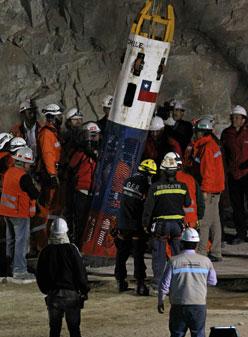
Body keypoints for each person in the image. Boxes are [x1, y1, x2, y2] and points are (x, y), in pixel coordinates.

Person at [142, 152, 191, 290]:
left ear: (162, 170)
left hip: (161, 226)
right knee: (178, 255)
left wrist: (145, 224)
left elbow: (148, 208)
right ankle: (179, 283)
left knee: (159, 256)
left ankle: (158, 284)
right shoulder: (182, 186)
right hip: (177, 226)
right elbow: (187, 203)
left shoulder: (155, 187)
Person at [158, 228, 217, 337]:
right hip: (198, 305)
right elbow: (213, 282)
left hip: (178, 305)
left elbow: (164, 284)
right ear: (196, 244)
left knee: (177, 333)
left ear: (182, 243)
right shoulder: (206, 261)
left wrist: (160, 301)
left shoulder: (173, 261)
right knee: (198, 333)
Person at [36, 217, 90, 337]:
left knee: (54, 330)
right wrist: (84, 290)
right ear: (66, 232)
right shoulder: (72, 250)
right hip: (71, 295)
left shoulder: (45, 252)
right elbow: (80, 273)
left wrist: (47, 291)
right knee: (74, 330)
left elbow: (40, 275)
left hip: (53, 296)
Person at [114, 159, 157, 295]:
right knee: (138, 254)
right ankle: (140, 284)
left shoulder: (128, 180)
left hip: (122, 223)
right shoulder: (146, 184)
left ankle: (120, 281)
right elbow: (145, 207)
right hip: (136, 224)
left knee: (121, 254)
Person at [0, 146, 39, 282]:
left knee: (10, 241)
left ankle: (9, 269)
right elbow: (35, 193)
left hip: (6, 212)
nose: (30, 166)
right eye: (29, 163)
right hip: (19, 213)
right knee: (21, 242)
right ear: (23, 162)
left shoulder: (8, 172)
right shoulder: (24, 177)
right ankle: (20, 270)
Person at [192, 118, 225, 261]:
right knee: (215, 221)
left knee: (204, 222)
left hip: (209, 190)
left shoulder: (206, 148)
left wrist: (204, 191)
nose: (196, 134)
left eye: (197, 131)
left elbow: (208, 172)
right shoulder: (213, 145)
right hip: (216, 189)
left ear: (202, 132)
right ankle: (216, 251)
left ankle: (201, 252)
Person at [66, 122, 100, 247]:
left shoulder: (100, 152)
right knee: (81, 220)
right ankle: (80, 245)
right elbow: (70, 167)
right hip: (82, 190)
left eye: (95, 135)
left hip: (95, 190)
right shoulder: (80, 152)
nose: (93, 138)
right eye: (91, 135)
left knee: (92, 221)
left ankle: (88, 244)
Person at [221, 105, 248, 244]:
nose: (234, 119)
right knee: (237, 207)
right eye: (233, 117)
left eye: (237, 117)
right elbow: (223, 154)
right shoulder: (227, 134)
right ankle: (241, 233)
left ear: (243, 120)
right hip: (233, 175)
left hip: (247, 174)